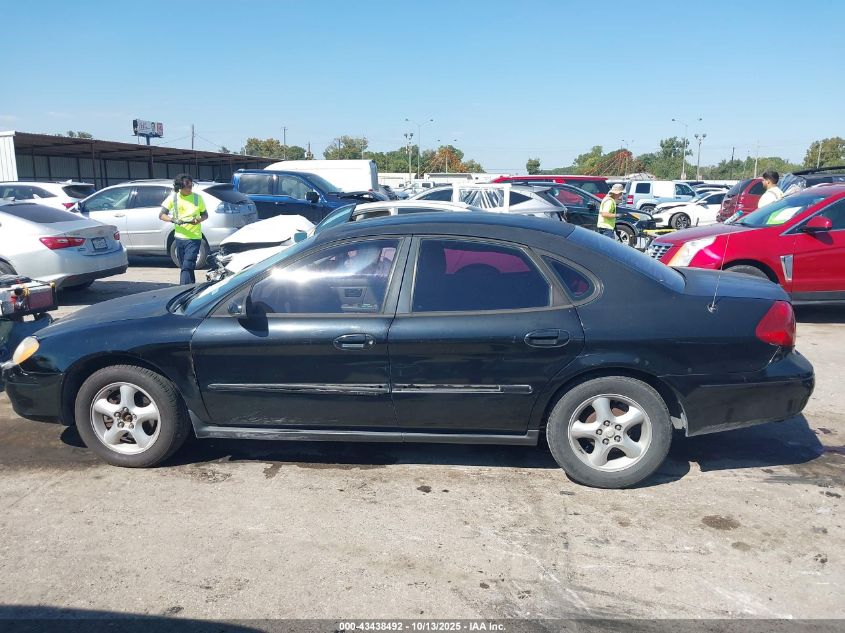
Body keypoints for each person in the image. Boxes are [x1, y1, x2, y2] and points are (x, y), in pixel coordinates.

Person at [159, 174, 208, 284]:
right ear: (180, 188)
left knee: (187, 264)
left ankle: (182, 289)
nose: (190, 189)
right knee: (186, 267)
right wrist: (173, 220)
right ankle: (191, 290)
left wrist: (199, 220)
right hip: (179, 238)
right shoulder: (173, 198)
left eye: (191, 186)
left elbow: (205, 215)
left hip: (194, 237)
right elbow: (162, 215)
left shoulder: (197, 198)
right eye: (188, 187)